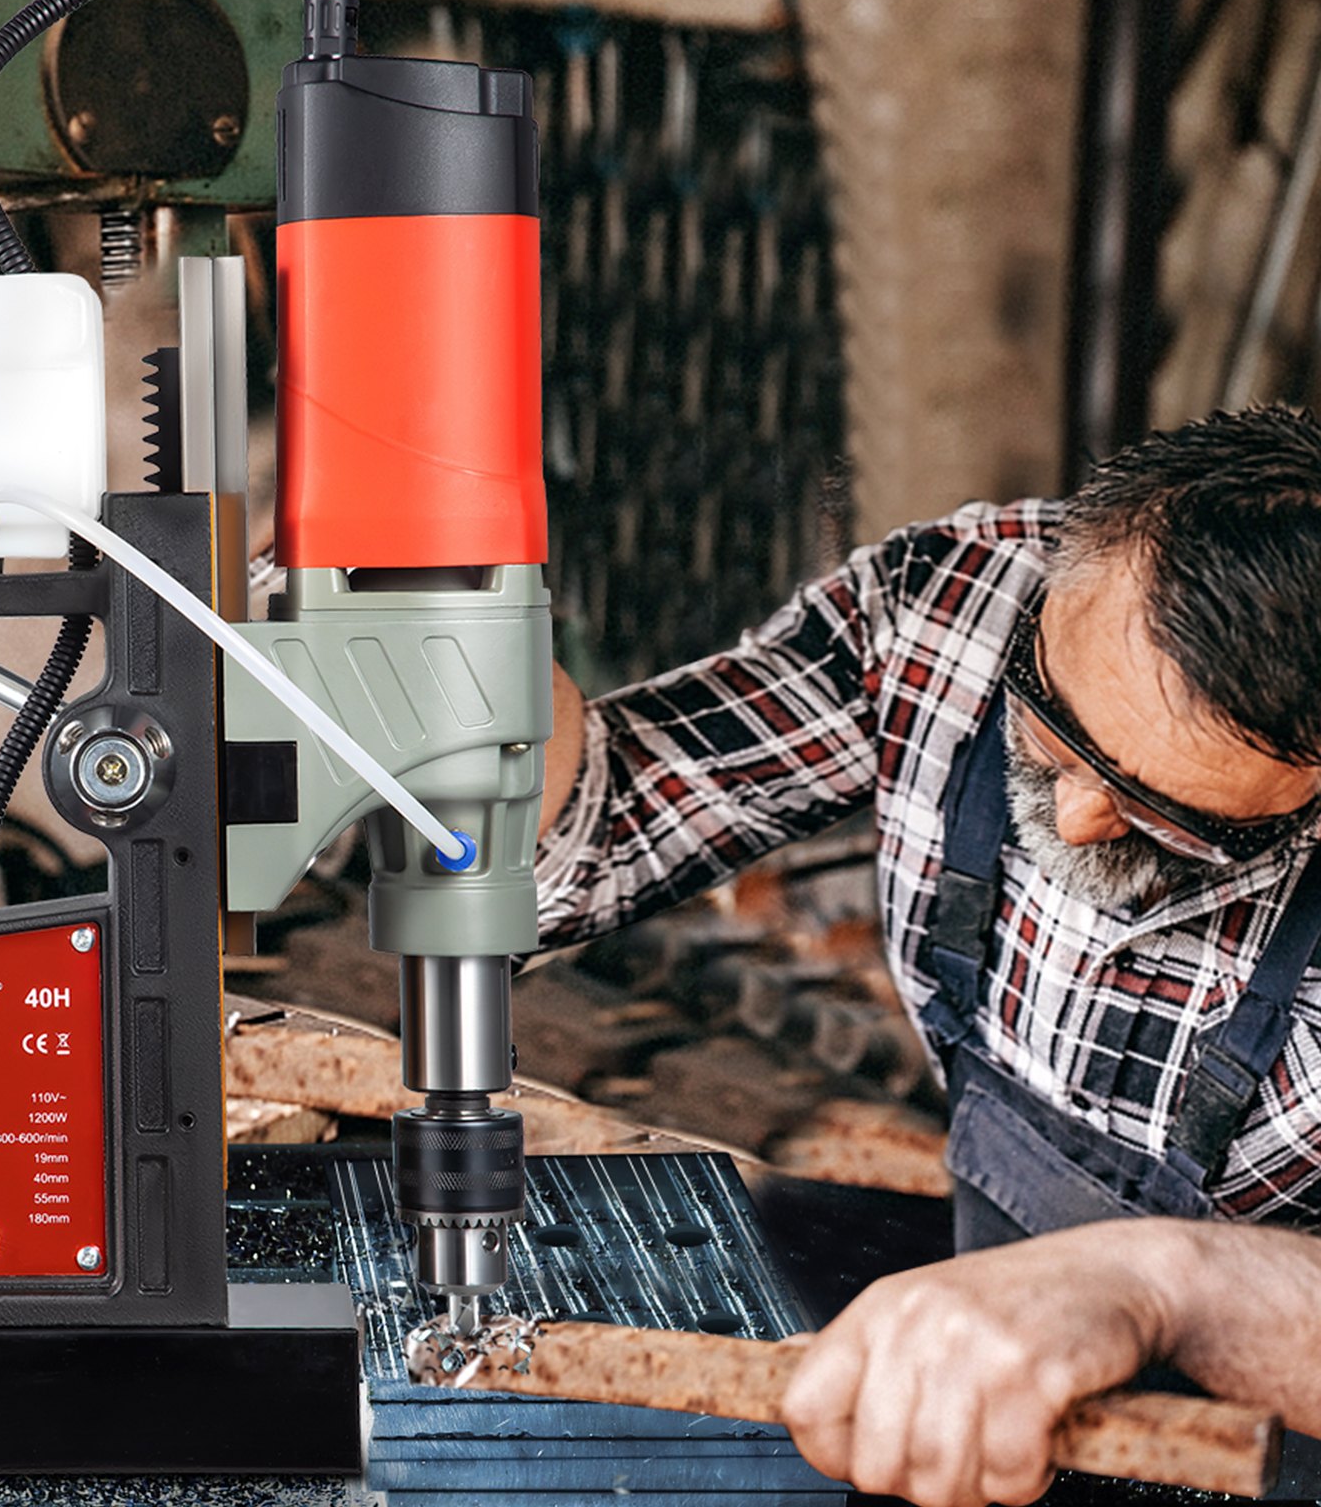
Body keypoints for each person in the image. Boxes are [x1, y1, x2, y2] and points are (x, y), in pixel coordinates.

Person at [534, 407, 1321, 1507]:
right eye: (1057, 733)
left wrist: (1164, 1281)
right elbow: (593, 837)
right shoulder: (952, 604)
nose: (1080, 819)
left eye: (1178, 823)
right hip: (989, 1403)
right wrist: (453, 618)